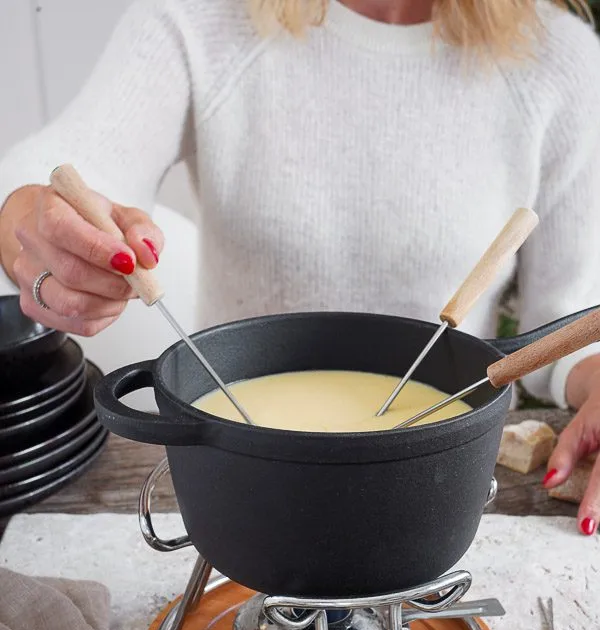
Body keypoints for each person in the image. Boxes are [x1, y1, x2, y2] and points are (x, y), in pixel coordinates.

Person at [0, 0, 599, 530]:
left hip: (439, 481)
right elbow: (66, 165)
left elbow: (575, 318)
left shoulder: (560, 59)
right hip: (241, 478)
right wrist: (37, 221)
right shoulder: (201, 17)